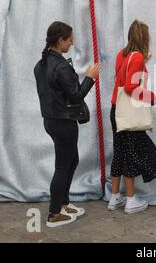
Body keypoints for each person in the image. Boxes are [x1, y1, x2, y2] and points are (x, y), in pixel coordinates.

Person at [34, 21, 101, 227]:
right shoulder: (60, 65)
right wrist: (90, 78)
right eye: (70, 39)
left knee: (71, 161)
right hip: (63, 122)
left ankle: (63, 204)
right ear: (60, 40)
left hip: (52, 120)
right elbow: (76, 95)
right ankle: (54, 214)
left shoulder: (41, 64)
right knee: (63, 166)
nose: (72, 43)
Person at [108, 20, 156, 214]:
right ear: (144, 37)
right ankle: (131, 200)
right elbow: (131, 87)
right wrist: (151, 97)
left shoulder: (121, 55)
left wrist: (143, 64)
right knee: (132, 154)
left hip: (116, 110)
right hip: (130, 112)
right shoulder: (137, 57)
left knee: (120, 152)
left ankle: (115, 197)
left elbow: (123, 80)